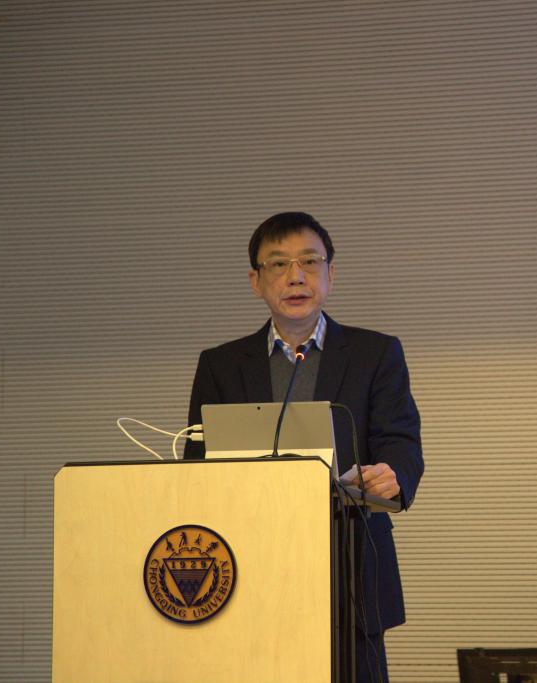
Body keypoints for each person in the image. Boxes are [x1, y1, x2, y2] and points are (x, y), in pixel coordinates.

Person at [184, 211, 424, 682]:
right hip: (248, 569)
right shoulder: (221, 365)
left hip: (351, 571)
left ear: (331, 273)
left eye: (309, 262)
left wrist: (392, 474)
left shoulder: (376, 353)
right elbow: (198, 463)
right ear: (255, 281)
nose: (296, 276)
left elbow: (399, 441)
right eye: (278, 264)